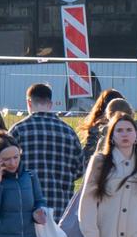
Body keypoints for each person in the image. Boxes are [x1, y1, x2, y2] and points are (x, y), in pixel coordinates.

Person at [7, 83, 83, 222]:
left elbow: (6, 166)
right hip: (60, 208)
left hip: (26, 208)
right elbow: (79, 170)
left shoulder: (17, 130)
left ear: (29, 103)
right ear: (50, 104)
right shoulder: (69, 132)